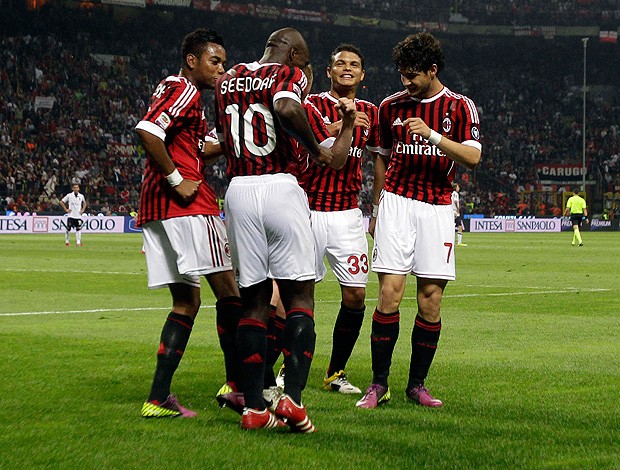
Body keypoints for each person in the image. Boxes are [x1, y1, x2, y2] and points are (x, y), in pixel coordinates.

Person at [215, 28, 355, 432]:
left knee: (254, 303)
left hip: (238, 191)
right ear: (293, 54)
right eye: (304, 60)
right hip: (279, 185)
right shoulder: (286, 76)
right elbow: (287, 107)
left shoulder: (228, 80)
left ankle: (254, 408)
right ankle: (293, 400)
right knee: (300, 298)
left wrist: (337, 131)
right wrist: (317, 148)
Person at [357, 32, 482, 409]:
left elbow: (473, 158)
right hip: (396, 203)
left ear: (432, 70)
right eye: (401, 74)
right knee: (389, 294)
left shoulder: (461, 107)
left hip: (437, 207)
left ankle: (417, 384)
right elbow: (379, 157)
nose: (406, 82)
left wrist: (433, 136)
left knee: (430, 301)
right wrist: (378, 209)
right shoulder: (390, 106)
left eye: (412, 75)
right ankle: (379, 384)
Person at [135, 28, 244, 419]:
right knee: (231, 294)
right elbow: (148, 130)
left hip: (156, 208)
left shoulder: (190, 101)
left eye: (224, 62)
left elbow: (197, 150)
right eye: (215, 61)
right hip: (189, 206)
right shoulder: (183, 88)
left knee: (187, 301)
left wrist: (234, 138)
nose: (221, 69)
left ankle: (158, 397)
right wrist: (177, 180)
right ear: (192, 61)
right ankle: (238, 386)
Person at [301, 44, 381, 394]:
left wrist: (378, 210)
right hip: (306, 211)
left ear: (362, 75)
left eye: (354, 64)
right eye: (340, 64)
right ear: (329, 71)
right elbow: (316, 148)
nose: (347, 68)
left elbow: (380, 160)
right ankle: (291, 369)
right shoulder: (310, 104)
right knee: (299, 294)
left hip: (348, 214)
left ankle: (336, 373)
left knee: (356, 296)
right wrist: (340, 123)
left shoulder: (371, 112)